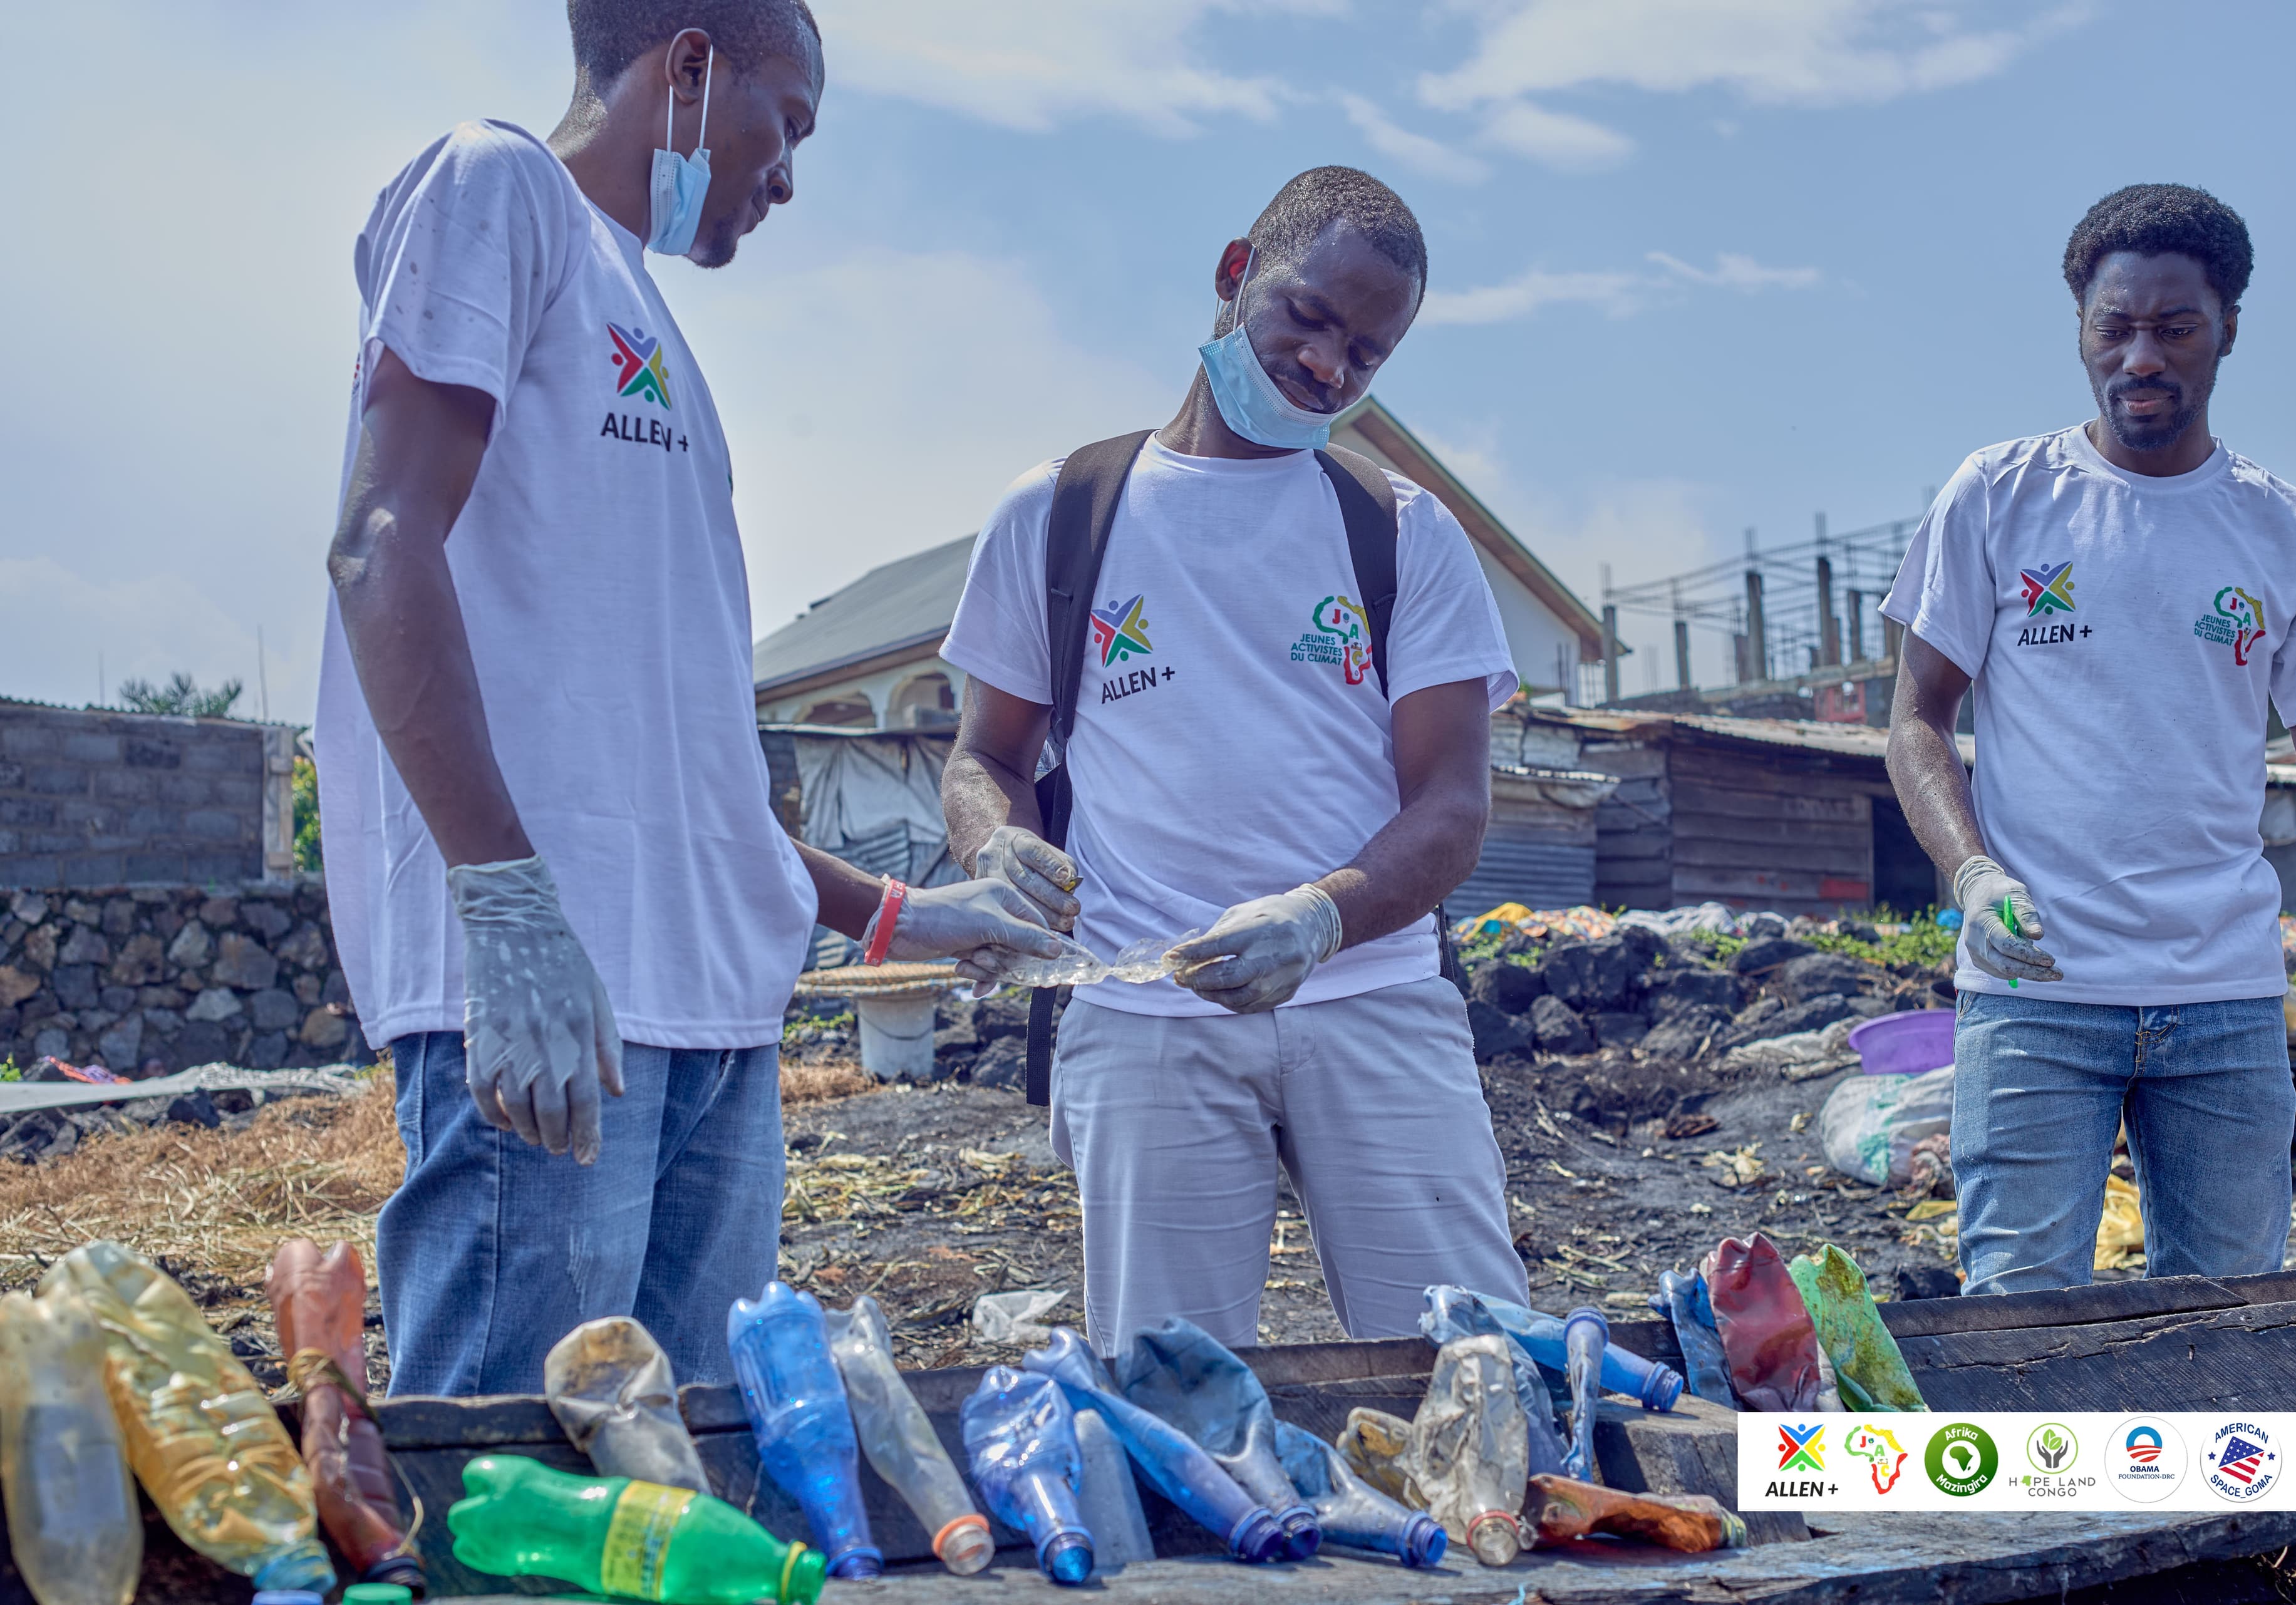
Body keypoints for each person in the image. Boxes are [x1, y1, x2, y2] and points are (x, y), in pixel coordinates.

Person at [316, 0, 1060, 1396]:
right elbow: (379, 544)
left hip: (712, 1024)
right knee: (517, 1466)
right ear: (693, 65)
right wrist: (506, 902)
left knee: (693, 1467)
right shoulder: (498, 186)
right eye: (790, 125)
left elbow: (685, 785)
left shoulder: (646, 319)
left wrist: (905, 916)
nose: (788, 178)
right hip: (559, 1002)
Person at [938, 167, 1529, 1356]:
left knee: (1474, 1364)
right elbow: (985, 756)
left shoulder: (1403, 531)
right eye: (1308, 316)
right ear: (1233, 273)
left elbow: (1453, 806)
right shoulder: (1059, 515)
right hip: (1143, 1017)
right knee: (1169, 1388)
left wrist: (1320, 918)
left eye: (1366, 353)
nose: (1327, 366)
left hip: (1374, 1001)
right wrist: (996, 851)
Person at [1883, 183, 2296, 1296]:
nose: (2142, 359)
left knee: (2229, 1326)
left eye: (2176, 328)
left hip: (2225, 1001)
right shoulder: (1999, 496)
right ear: (2080, 327)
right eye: (2113, 328)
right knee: (2019, 1324)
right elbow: (1918, 720)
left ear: (2228, 330)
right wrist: (1972, 875)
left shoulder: (2288, 533)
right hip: (2035, 992)